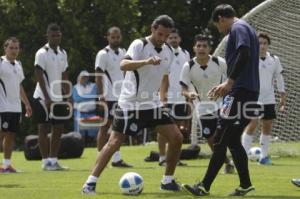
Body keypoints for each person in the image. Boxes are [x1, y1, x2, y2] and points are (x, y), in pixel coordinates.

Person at [82, 15, 183, 194]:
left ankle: (167, 181)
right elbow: (123, 64)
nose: (162, 39)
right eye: (160, 34)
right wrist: (146, 61)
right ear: (152, 29)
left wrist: (163, 98)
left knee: (177, 137)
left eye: (166, 36)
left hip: (152, 105)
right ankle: (90, 183)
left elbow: (165, 77)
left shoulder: (168, 50)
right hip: (130, 105)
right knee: (113, 143)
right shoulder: (139, 44)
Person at [182, 4, 260, 196]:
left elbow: (244, 53)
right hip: (247, 92)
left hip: (240, 92)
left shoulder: (238, 28)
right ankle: (245, 184)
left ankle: (204, 186)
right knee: (232, 141)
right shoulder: (247, 27)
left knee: (219, 140)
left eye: (218, 26)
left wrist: (229, 83)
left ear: (221, 19)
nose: (220, 30)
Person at [180, 34, 235, 174]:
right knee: (209, 137)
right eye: (198, 46)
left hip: (222, 103)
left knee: (224, 134)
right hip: (202, 106)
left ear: (209, 48)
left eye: (204, 46)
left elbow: (231, 79)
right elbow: (183, 89)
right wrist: (189, 95)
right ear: (194, 48)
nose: (201, 49)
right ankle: (227, 162)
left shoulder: (219, 62)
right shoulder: (189, 66)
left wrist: (224, 89)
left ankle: (236, 159)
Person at [242, 32, 286, 165]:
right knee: (252, 124)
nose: (262, 46)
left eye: (264, 43)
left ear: (268, 45)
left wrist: (282, 95)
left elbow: (279, 77)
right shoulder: (249, 58)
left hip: (269, 98)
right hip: (253, 98)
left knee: (267, 126)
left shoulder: (274, 59)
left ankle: (264, 157)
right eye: (259, 43)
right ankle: (242, 156)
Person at [33, 23, 71, 171]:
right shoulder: (42, 53)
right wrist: (47, 97)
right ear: (47, 36)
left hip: (58, 97)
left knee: (58, 128)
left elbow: (65, 74)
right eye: (53, 35)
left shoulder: (63, 53)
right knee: (43, 127)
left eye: (58, 35)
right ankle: (45, 162)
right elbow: (38, 74)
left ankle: (54, 160)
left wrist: (68, 95)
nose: (56, 38)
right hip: (43, 97)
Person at [95, 26, 132, 167]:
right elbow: (98, 75)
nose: (115, 39)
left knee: (119, 128)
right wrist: (101, 96)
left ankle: (116, 158)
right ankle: (100, 157)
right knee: (104, 127)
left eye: (118, 37)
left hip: (121, 97)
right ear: (107, 37)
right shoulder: (102, 54)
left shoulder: (123, 52)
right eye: (113, 37)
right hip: (108, 97)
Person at [156, 28, 190, 166]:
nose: (173, 40)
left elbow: (188, 76)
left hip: (181, 97)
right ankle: (162, 157)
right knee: (164, 129)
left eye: (176, 37)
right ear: (167, 39)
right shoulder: (163, 52)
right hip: (166, 97)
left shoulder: (186, 54)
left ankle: (174, 158)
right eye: (171, 38)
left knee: (177, 130)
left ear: (179, 39)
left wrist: (188, 98)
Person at [0, 37, 32, 173]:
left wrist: (27, 104)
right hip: (2, 107)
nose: (14, 50)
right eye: (11, 48)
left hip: (15, 107)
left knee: (11, 135)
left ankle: (7, 165)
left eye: (16, 48)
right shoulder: (1, 62)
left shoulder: (18, 64)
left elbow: (19, 86)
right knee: (1, 135)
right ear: (5, 48)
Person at [72, 70, 98, 141]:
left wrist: (82, 96)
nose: (85, 78)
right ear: (79, 77)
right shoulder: (75, 87)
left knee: (94, 132)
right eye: (83, 77)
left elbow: (94, 95)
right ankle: (80, 147)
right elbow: (76, 98)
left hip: (91, 113)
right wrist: (88, 96)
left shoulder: (94, 85)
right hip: (79, 113)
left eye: (86, 77)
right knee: (80, 134)